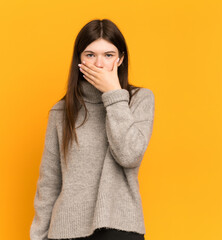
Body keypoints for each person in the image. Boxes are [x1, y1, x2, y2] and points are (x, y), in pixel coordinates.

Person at [30, 18, 155, 240]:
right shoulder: (61, 111)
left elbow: (130, 155)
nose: (99, 64)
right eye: (90, 55)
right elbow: (49, 182)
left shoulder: (138, 100)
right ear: (79, 59)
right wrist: (38, 237)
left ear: (121, 59)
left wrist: (114, 94)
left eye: (108, 55)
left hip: (120, 227)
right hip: (66, 230)